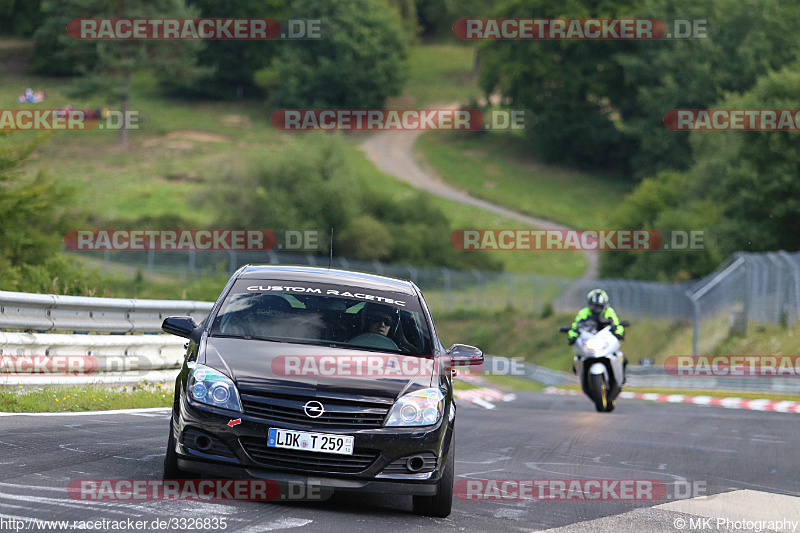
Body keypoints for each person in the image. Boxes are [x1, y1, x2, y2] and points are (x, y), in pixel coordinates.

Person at [568, 289, 627, 381]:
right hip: (589, 339)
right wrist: (573, 335)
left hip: (604, 339)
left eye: (599, 306)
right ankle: (582, 374)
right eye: (594, 305)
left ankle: (621, 377)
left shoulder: (609, 312)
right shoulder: (583, 312)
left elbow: (617, 324)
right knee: (578, 357)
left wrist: (619, 332)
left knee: (620, 356)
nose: (596, 308)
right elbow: (575, 326)